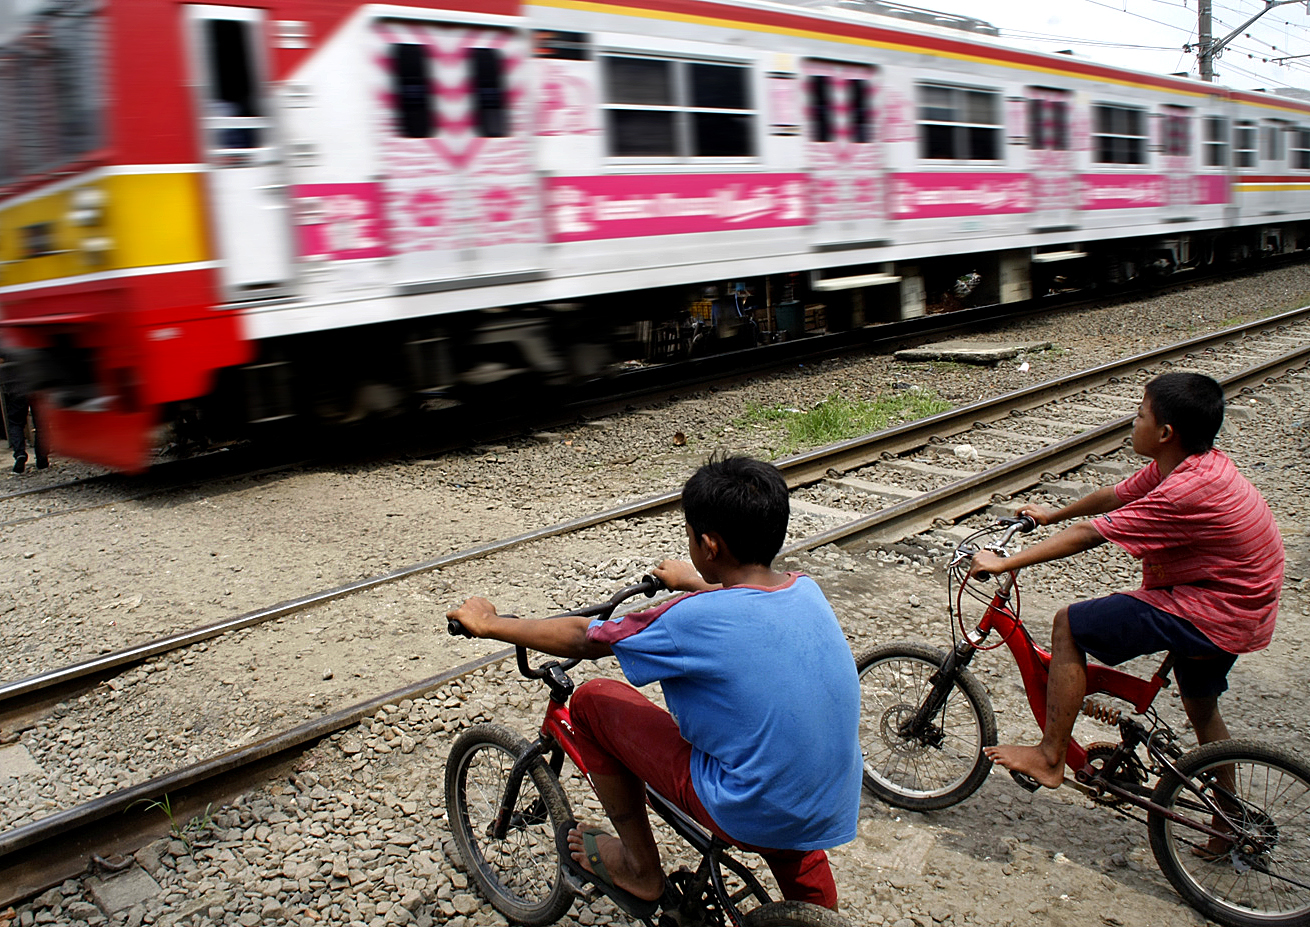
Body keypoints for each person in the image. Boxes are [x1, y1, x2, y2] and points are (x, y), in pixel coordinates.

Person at [446, 455, 862, 913]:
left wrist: (490, 623)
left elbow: (584, 638)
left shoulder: (687, 621)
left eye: (690, 538)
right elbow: (745, 604)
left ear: (709, 545)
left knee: (592, 699)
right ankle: (819, 917)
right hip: (828, 799)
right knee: (788, 812)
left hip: (748, 806)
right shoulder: (805, 589)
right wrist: (693, 580)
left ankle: (640, 868)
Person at [970, 372, 1284, 796]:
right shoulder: (1188, 464)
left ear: (1165, 432)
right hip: (1245, 608)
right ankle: (1231, 819)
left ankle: (1049, 758)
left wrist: (1005, 561)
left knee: (1070, 624)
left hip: (1216, 609)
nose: (1132, 423)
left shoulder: (1184, 491)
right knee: (1200, 705)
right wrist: (1050, 514)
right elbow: (1115, 495)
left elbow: (1090, 534)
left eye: (1139, 416)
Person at [0, 354, 48, 474]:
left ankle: (20, 454)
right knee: (41, 425)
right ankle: (42, 459)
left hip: (16, 388)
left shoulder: (6, 341)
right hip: (36, 385)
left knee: (15, 423)